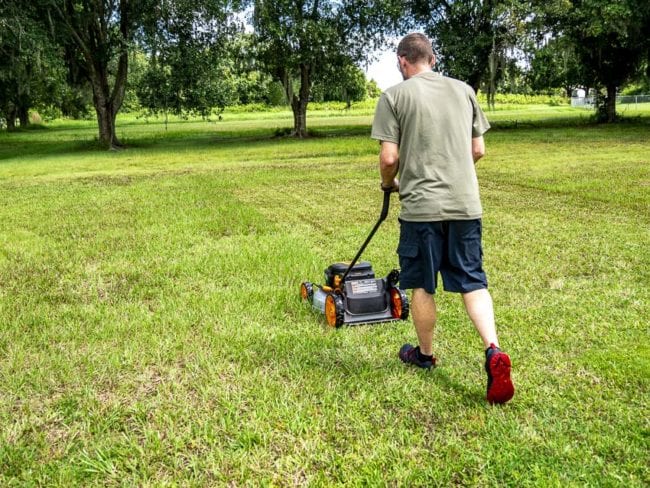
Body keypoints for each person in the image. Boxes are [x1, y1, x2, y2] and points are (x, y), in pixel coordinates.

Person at [370, 33, 514, 404]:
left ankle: (425, 354)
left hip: (421, 209)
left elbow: (389, 160)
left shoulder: (394, 96)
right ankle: (493, 349)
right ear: (432, 59)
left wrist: (391, 184)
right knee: (472, 281)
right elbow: (478, 149)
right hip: (466, 204)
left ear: (403, 61)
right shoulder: (464, 90)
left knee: (422, 284)